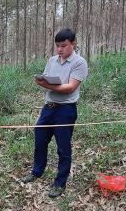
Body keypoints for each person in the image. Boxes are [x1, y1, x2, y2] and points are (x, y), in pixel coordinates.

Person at [21, 28, 88, 198]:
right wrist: (43, 80)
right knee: (40, 141)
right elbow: (46, 77)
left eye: (63, 46)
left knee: (63, 148)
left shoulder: (79, 63)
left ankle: (60, 183)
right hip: (48, 108)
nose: (60, 49)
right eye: (57, 46)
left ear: (73, 44)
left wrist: (45, 85)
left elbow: (70, 87)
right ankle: (37, 171)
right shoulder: (52, 60)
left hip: (65, 110)